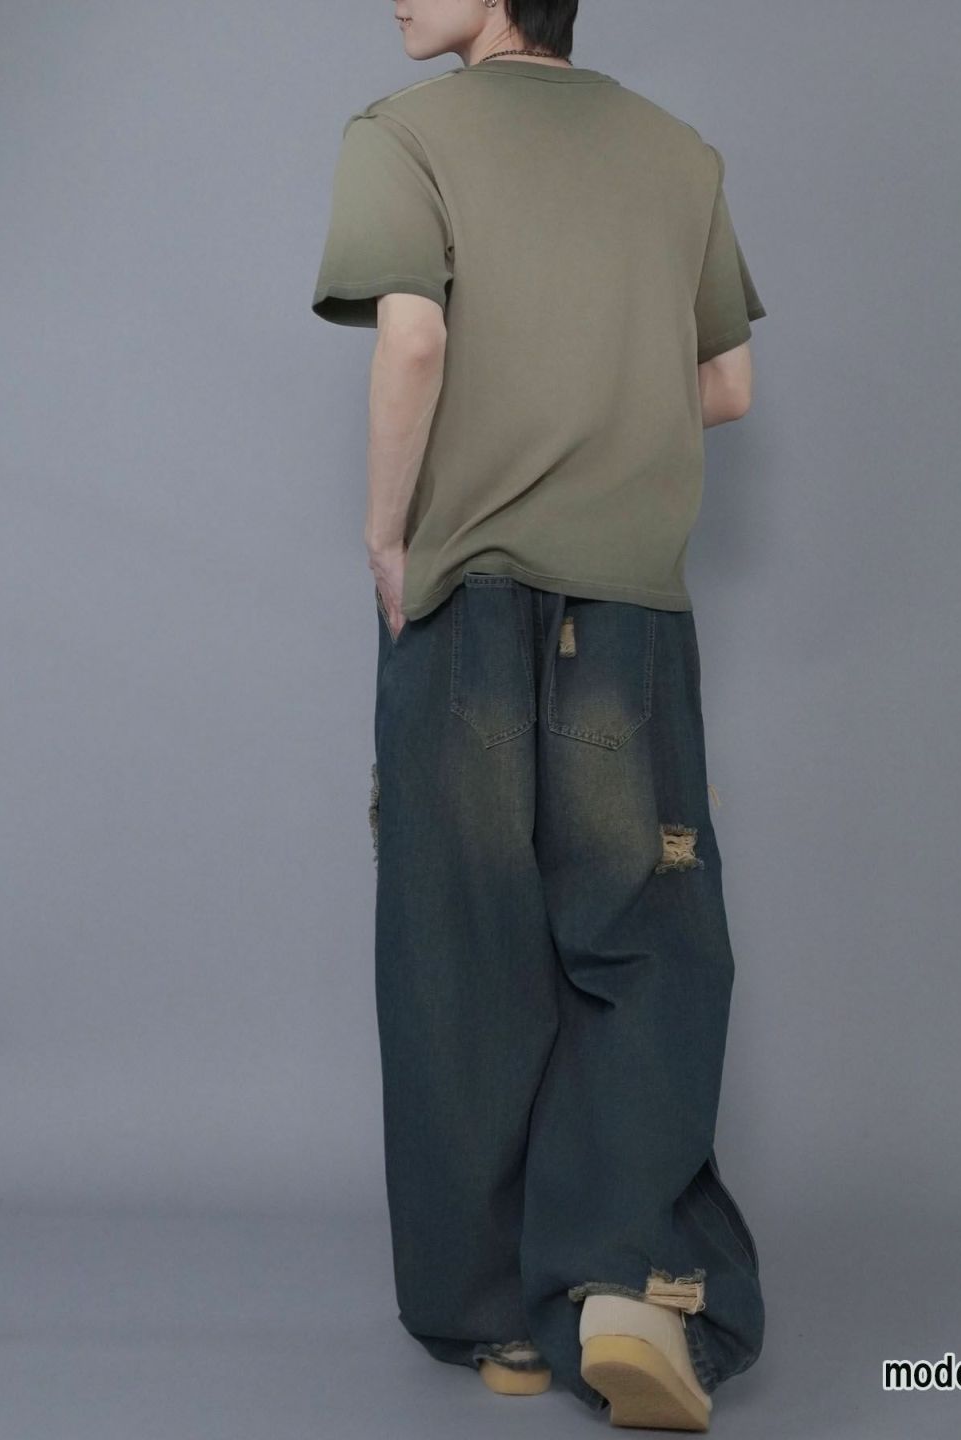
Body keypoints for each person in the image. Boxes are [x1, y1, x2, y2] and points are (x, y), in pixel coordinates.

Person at [310, 1, 766, 1429]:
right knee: (642, 946)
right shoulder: (678, 154)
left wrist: (388, 537)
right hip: (629, 613)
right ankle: (630, 1288)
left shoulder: (403, 138)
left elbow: (415, 341)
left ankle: (499, 1322)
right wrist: (601, 412)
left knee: (465, 957)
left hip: (467, 605)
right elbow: (727, 385)